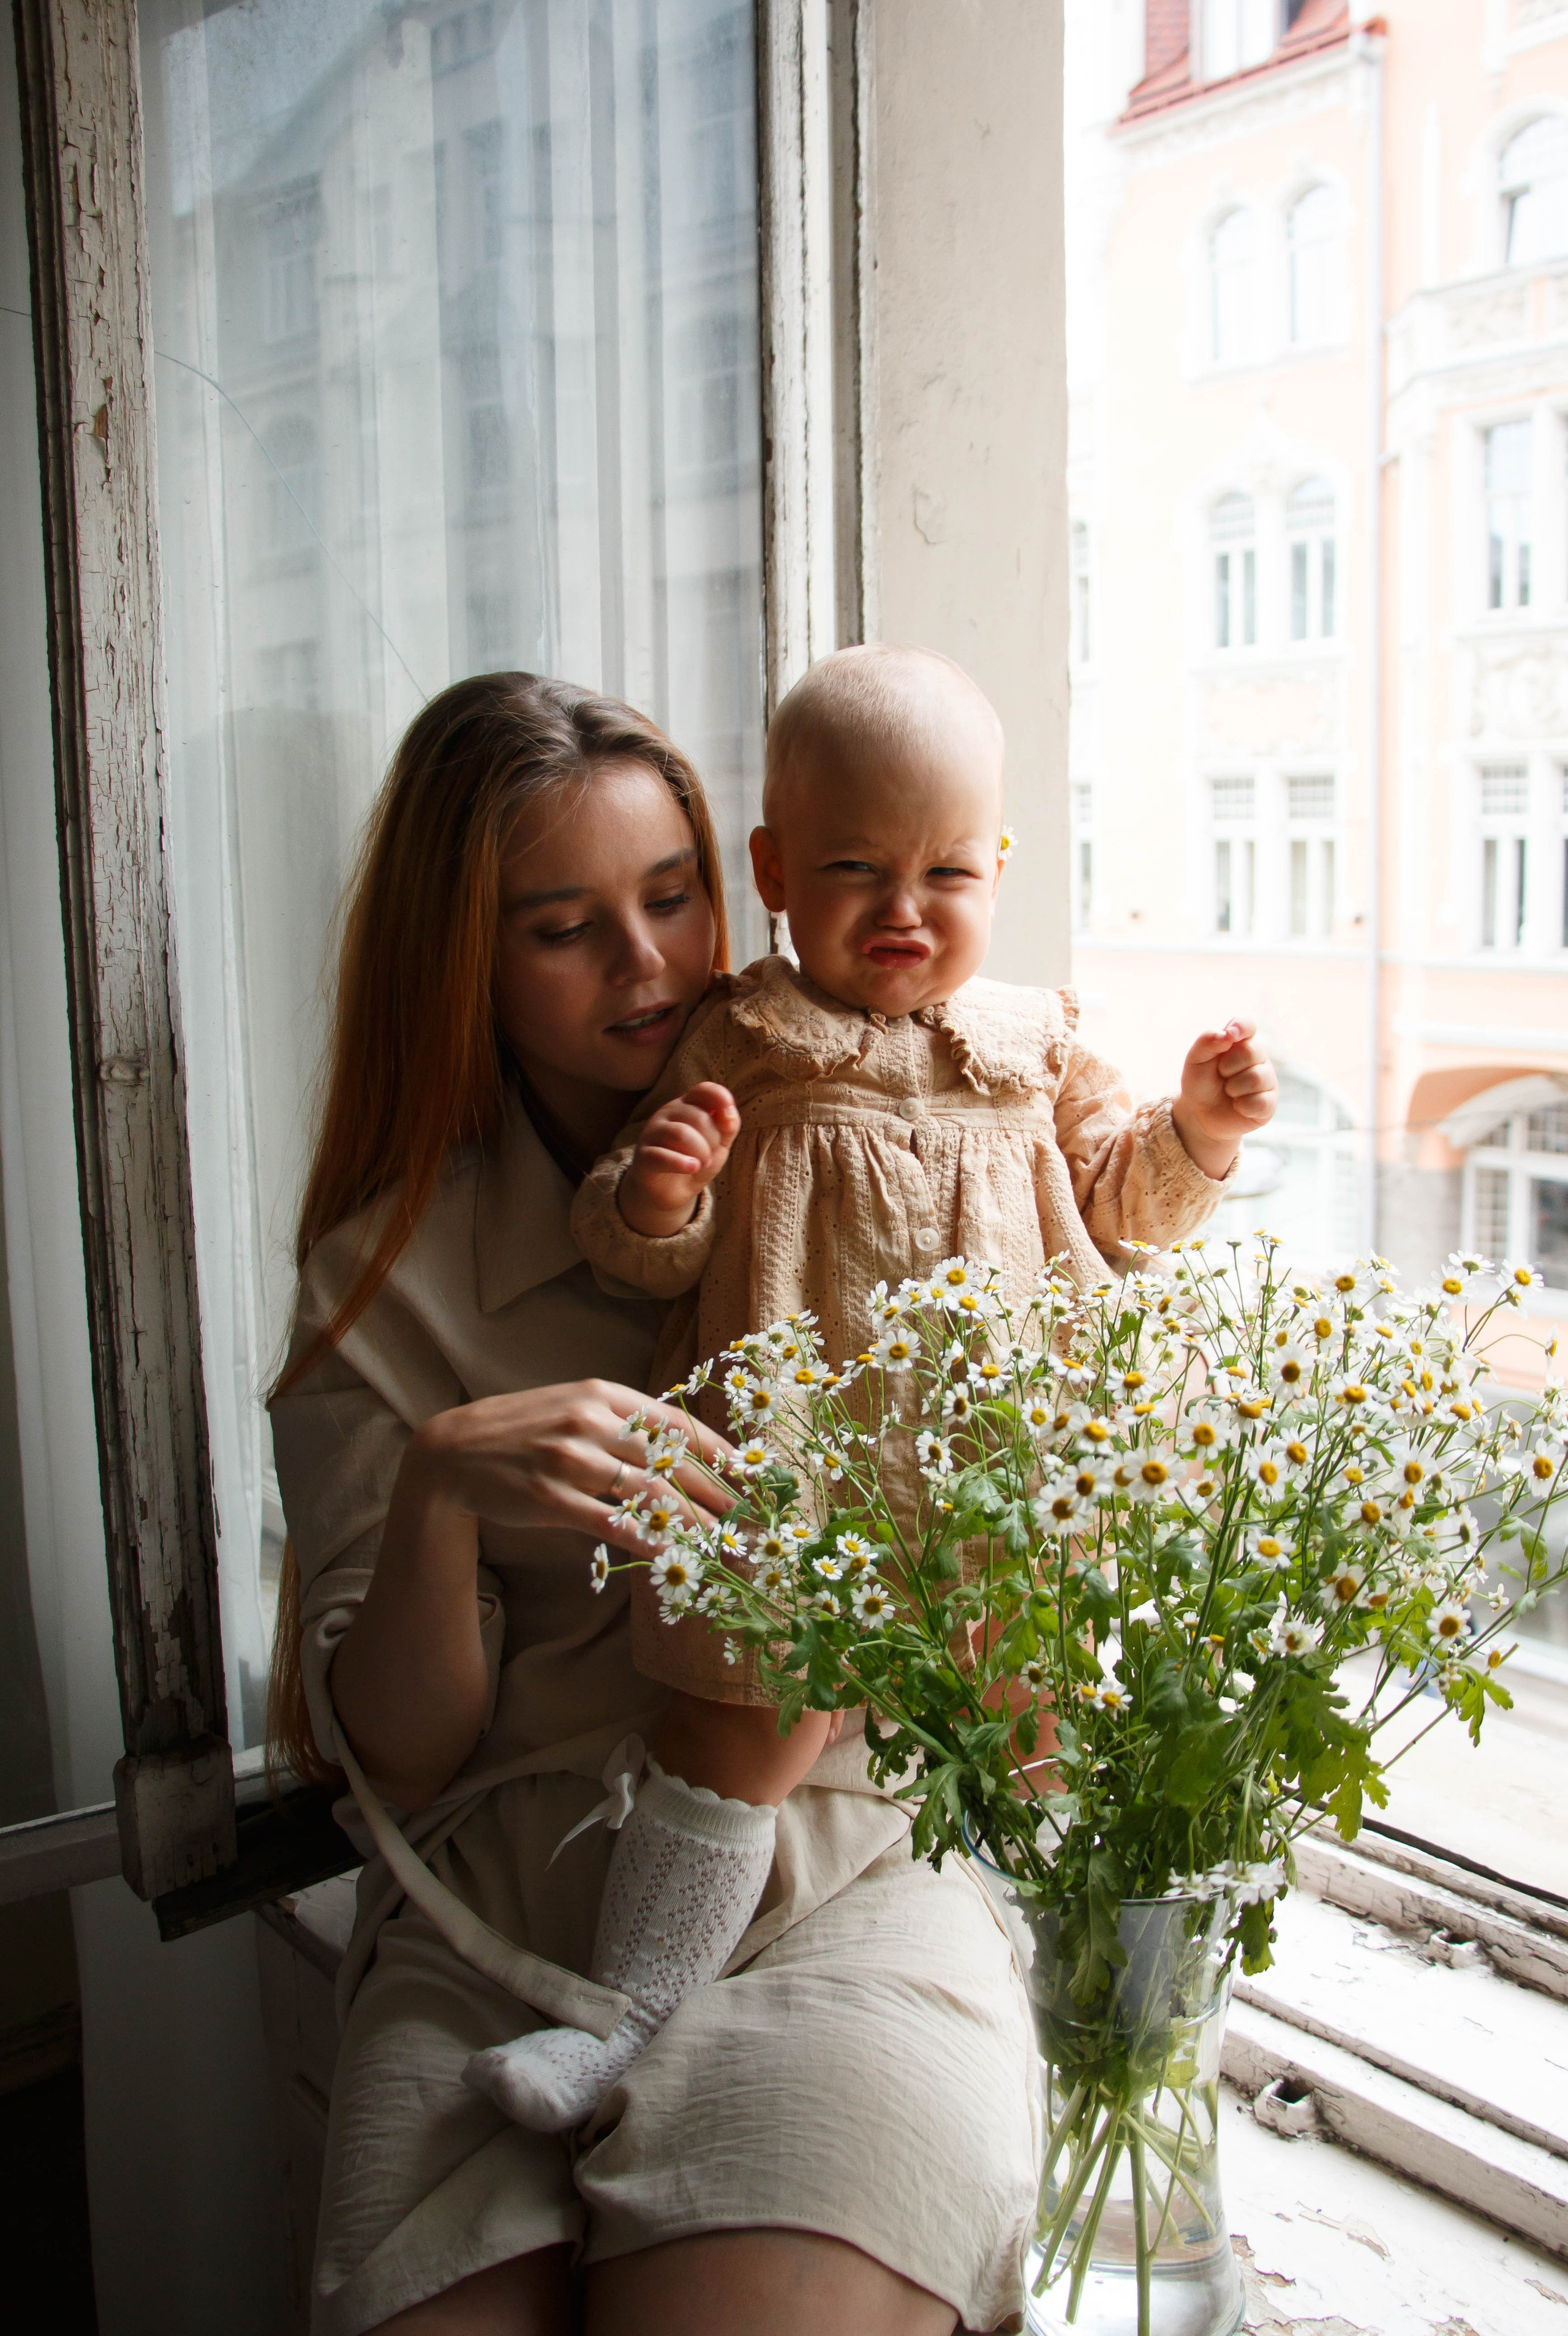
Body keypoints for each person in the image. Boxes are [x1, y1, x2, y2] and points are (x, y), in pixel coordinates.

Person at [267, 668, 1038, 2336]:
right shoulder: (382, 1272)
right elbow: (396, 1749)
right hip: (501, 1908)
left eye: (671, 897)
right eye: (563, 926)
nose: (648, 966)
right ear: (466, 956)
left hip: (838, 1870)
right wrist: (436, 1491)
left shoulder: (877, 1143)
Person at [472, 644, 1279, 2137]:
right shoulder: (741, 1034)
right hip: (797, 1480)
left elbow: (1124, 1208)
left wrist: (1199, 1132)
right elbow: (631, 1256)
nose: (903, 910)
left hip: (1018, 1475)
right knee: (734, 1737)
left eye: (946, 873)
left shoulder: (1035, 1040)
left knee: (1039, 1733)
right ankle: (621, 2021)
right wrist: (662, 1196)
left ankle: (1077, 2030)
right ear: (773, 865)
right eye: (855, 868)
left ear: (1000, 866)